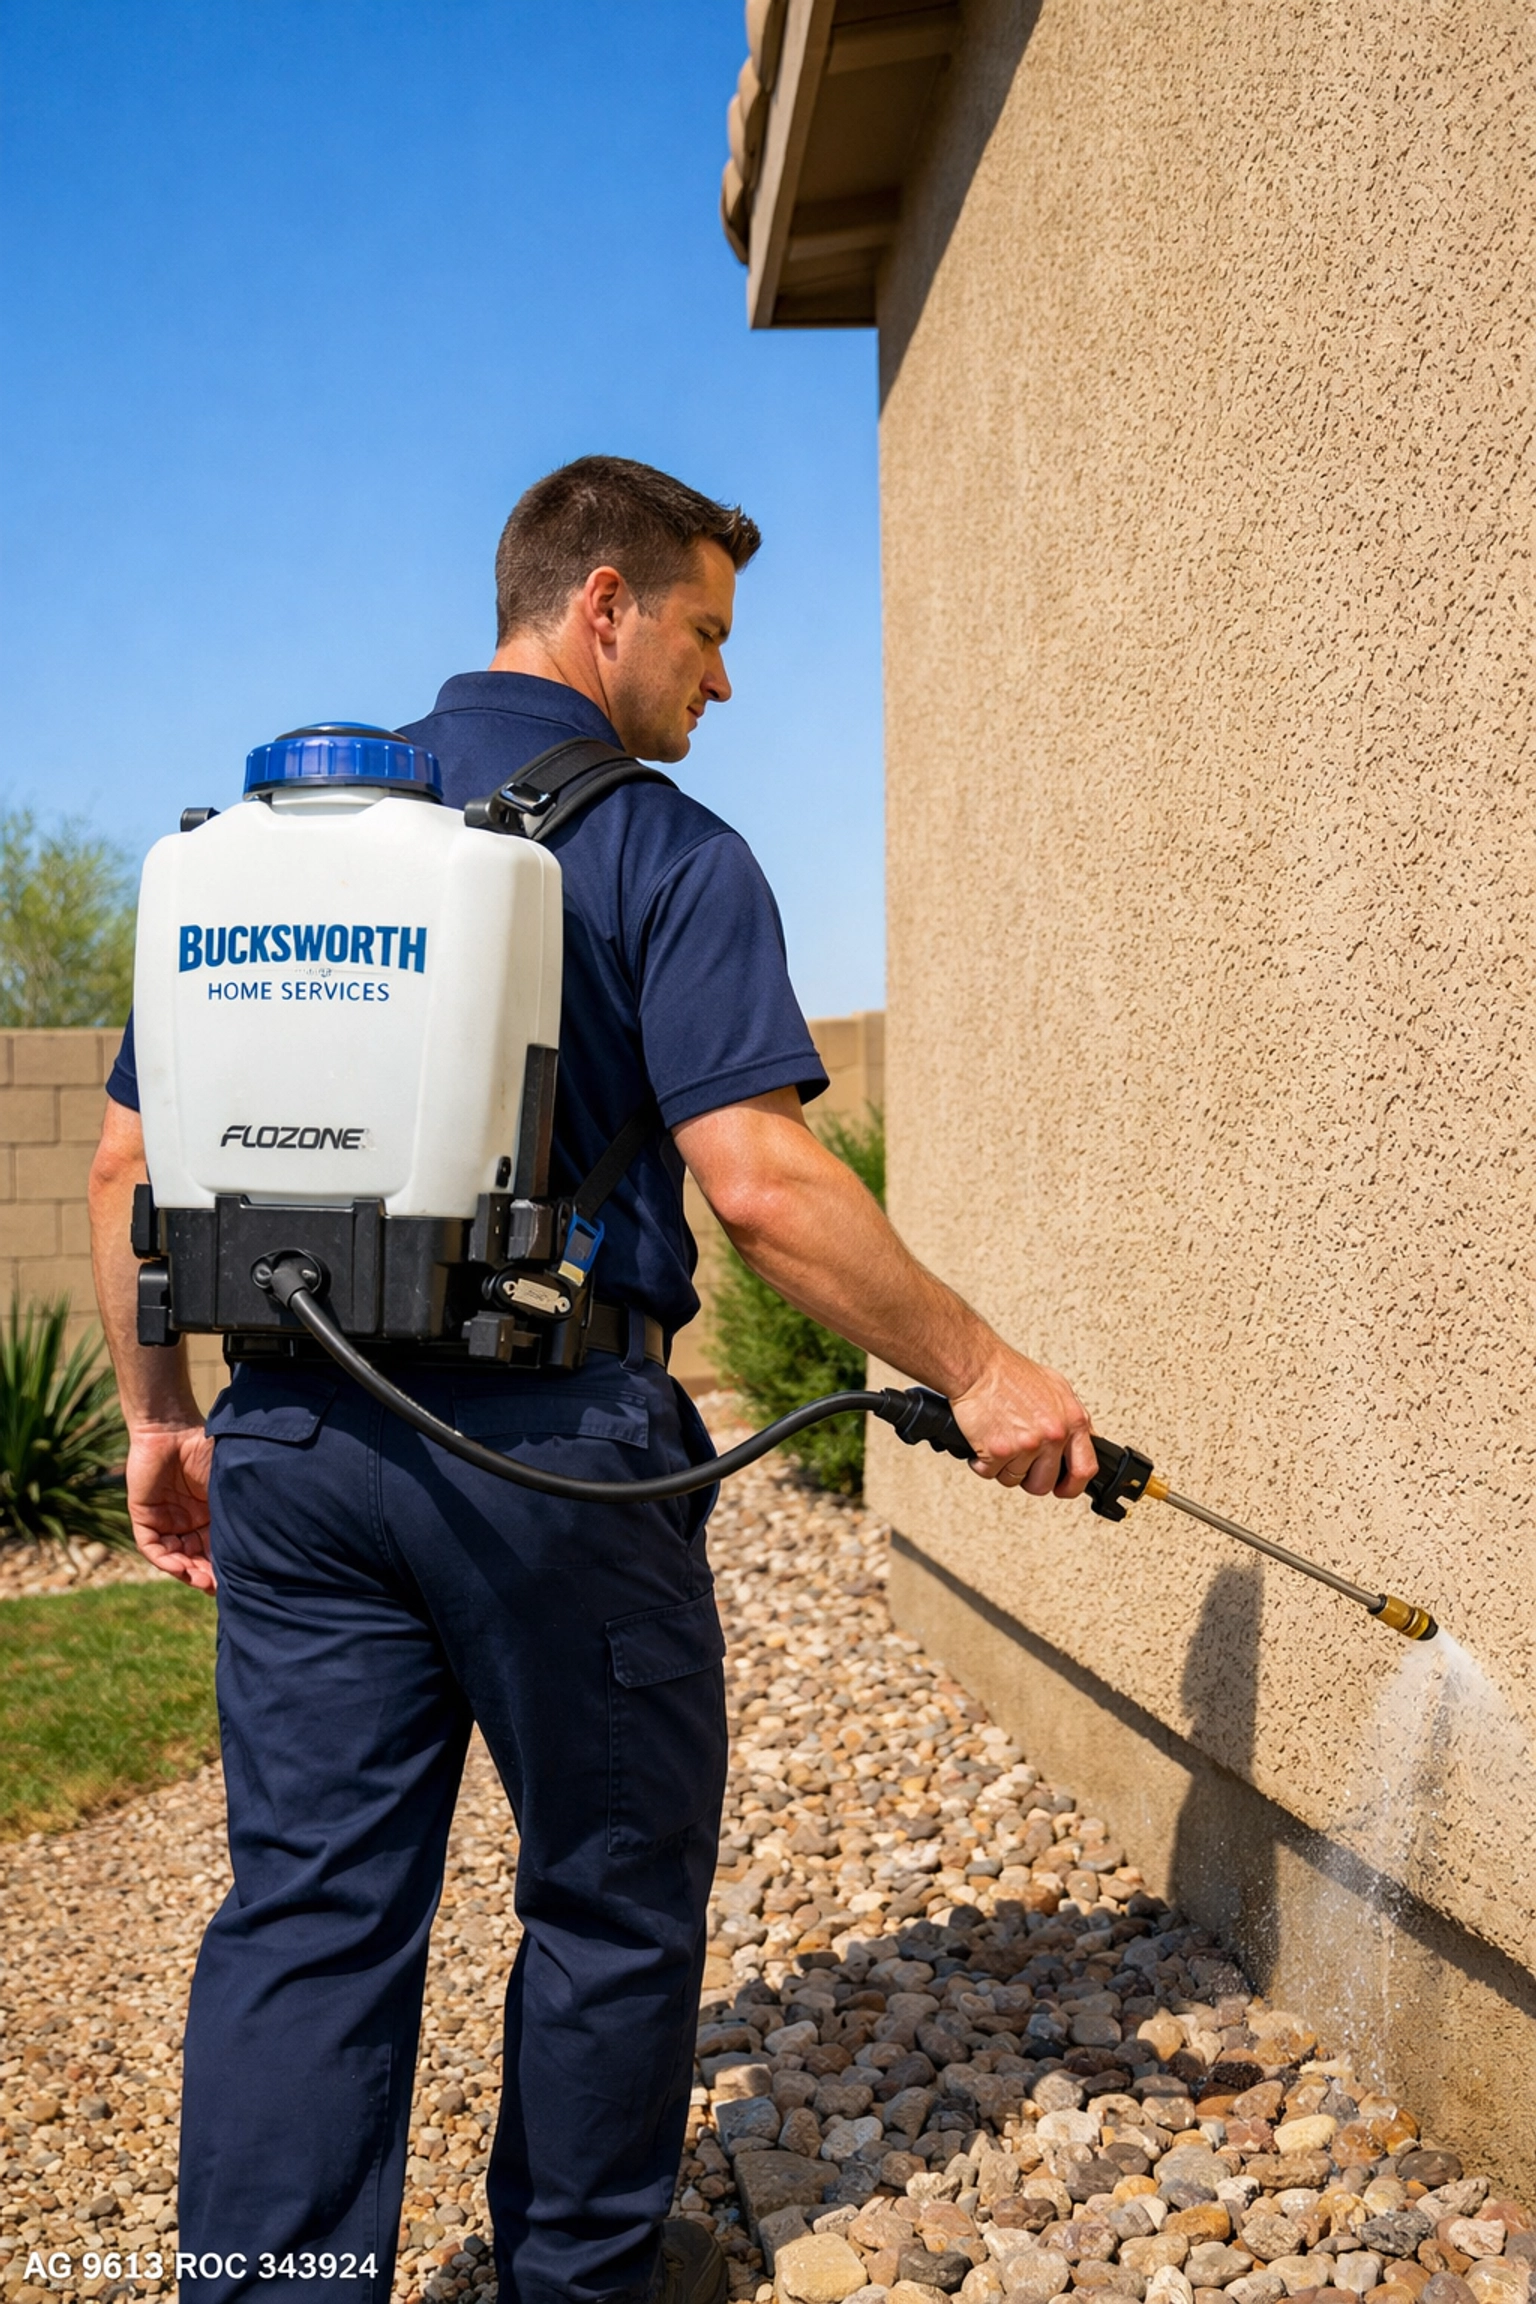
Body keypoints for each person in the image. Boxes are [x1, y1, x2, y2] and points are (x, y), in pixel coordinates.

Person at [88, 456, 1096, 2304]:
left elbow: (125, 1173)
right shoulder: (662, 852)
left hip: (295, 1445)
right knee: (608, 1897)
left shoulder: (259, 855)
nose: (723, 682)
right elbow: (767, 1185)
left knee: (307, 1919)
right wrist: (986, 1369)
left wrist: (164, 1420)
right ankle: (580, 2279)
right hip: (558, 1461)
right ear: (606, 604)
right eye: (708, 635)